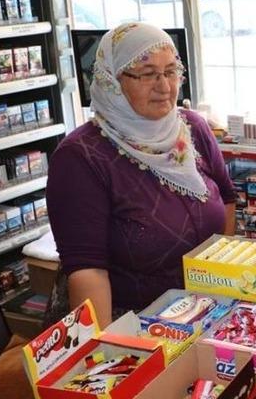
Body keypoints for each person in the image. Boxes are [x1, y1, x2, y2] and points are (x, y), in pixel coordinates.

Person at [47, 22, 236, 327]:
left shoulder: (192, 128)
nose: (165, 86)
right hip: (128, 323)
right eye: (148, 74)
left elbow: (226, 200)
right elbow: (87, 272)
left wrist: (219, 287)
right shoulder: (81, 157)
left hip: (198, 312)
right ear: (112, 82)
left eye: (172, 71)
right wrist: (104, 355)